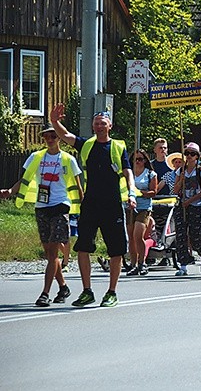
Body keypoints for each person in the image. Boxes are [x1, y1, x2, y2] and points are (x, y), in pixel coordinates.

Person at [49, 104, 136, 307]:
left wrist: (131, 192)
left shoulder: (117, 146)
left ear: (110, 125)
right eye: (96, 123)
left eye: (102, 123)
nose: (99, 126)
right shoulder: (87, 144)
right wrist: (55, 122)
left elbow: (127, 171)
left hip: (113, 204)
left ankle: (111, 292)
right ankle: (87, 291)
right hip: (91, 203)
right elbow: (67, 136)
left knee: (116, 250)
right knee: (83, 247)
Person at [1, 125, 83, 306]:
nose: (50, 139)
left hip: (60, 207)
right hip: (42, 207)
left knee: (53, 251)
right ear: (43, 139)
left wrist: (84, 209)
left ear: (59, 138)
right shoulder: (36, 157)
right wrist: (10, 191)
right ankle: (63, 287)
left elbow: (78, 187)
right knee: (49, 253)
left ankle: (45, 293)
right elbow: (24, 179)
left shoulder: (68, 159)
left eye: (54, 136)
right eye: (47, 136)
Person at [173, 142, 201, 276]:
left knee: (196, 234)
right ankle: (183, 265)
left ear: (197, 156)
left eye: (192, 154)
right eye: (187, 153)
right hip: (182, 205)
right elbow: (175, 190)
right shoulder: (180, 171)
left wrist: (189, 201)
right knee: (181, 235)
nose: (189, 156)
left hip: (196, 206)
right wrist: (181, 180)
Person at [125, 149, 157, 276]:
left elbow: (153, 192)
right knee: (131, 237)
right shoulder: (128, 174)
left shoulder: (150, 174)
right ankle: (133, 263)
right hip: (129, 207)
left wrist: (140, 192)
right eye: (135, 159)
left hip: (144, 208)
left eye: (140, 159)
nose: (138, 162)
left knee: (138, 235)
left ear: (145, 160)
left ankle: (142, 262)